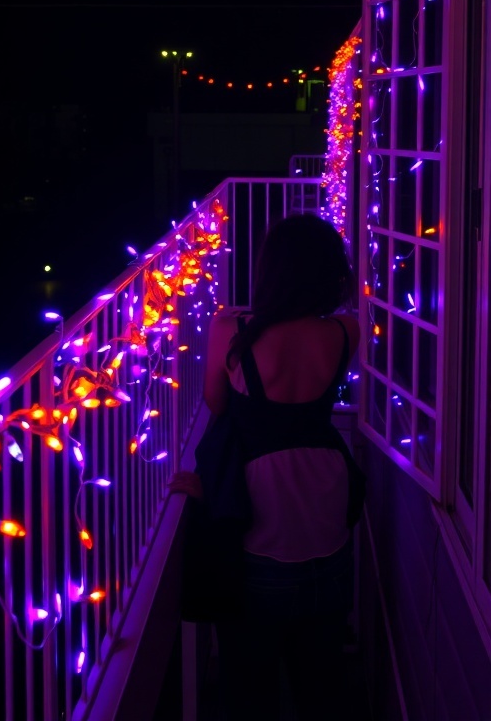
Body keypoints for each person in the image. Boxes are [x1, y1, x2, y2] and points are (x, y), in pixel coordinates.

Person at [168, 211, 361, 720]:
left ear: (271, 271)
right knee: (322, 688)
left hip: (261, 529)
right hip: (328, 512)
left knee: (249, 690)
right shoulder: (346, 331)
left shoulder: (233, 329)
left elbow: (216, 403)